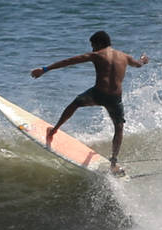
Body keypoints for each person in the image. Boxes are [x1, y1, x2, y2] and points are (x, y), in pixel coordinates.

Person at [30, 31, 148, 176]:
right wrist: (143, 59)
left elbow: (69, 61)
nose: (92, 49)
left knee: (75, 104)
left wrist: (45, 69)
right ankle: (114, 163)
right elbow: (138, 64)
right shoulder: (125, 57)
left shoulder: (97, 55)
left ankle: (54, 130)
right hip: (114, 99)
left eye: (93, 46)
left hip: (98, 94)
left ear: (99, 44)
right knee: (119, 127)